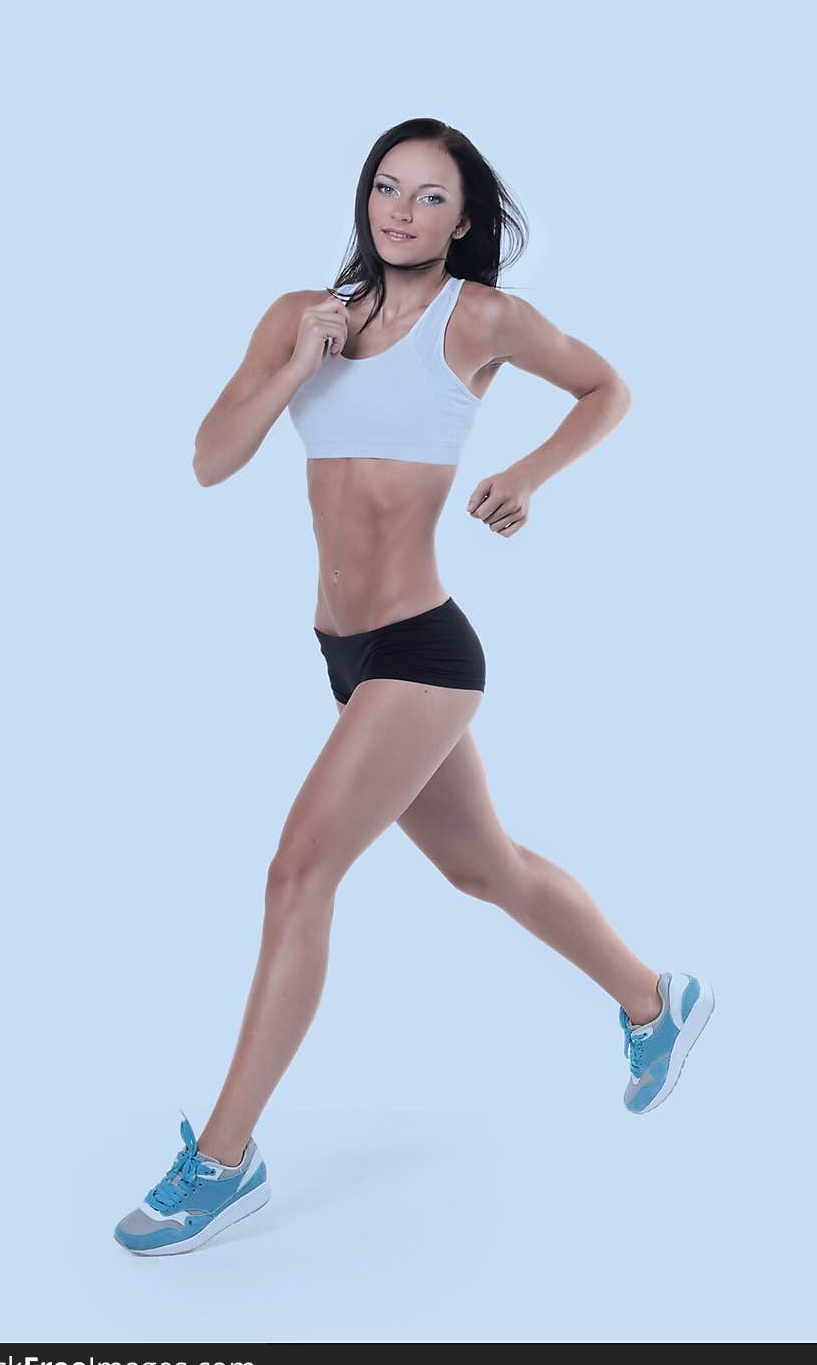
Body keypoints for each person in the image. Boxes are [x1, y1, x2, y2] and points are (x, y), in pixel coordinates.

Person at [114, 118, 714, 1257]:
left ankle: (226, 1161)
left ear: (465, 219)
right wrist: (301, 362)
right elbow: (208, 455)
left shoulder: (478, 318)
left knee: (298, 872)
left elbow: (605, 388)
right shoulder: (304, 315)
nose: (400, 211)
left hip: (423, 650)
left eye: (430, 197)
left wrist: (529, 473)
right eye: (386, 188)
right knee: (484, 867)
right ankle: (654, 999)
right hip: (344, 655)